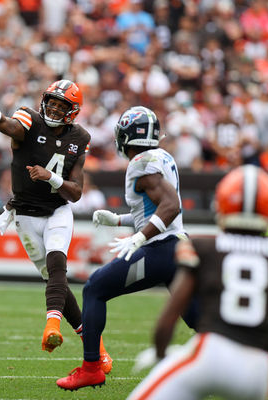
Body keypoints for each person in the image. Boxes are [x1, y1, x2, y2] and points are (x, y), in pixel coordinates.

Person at [126, 165, 268, 400]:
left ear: (222, 205)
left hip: (211, 356)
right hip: (258, 372)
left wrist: (160, 352)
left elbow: (169, 317)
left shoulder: (203, 249)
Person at [0, 80, 112, 373]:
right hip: (25, 214)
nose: (55, 108)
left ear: (72, 111)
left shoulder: (80, 136)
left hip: (58, 210)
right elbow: (13, 127)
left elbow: (75, 192)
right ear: (44, 100)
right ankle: (96, 348)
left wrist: (51, 178)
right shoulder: (29, 118)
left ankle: (51, 325)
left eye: (62, 105)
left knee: (58, 266)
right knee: (55, 281)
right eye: (53, 102)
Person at [57, 106, 197, 391]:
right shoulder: (161, 156)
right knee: (199, 318)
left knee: (95, 288)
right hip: (177, 247)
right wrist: (119, 220)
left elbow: (171, 206)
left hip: (160, 249)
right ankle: (263, 364)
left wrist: (140, 238)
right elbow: (155, 208)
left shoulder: (141, 163)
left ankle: (92, 368)